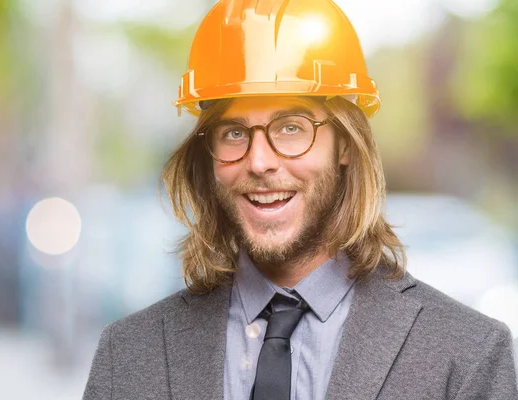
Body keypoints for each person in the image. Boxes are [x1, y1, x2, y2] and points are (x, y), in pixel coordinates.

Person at [83, 0, 518, 399]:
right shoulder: (127, 356)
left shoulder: (467, 356)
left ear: (346, 145)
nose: (258, 161)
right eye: (234, 133)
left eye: (291, 127)